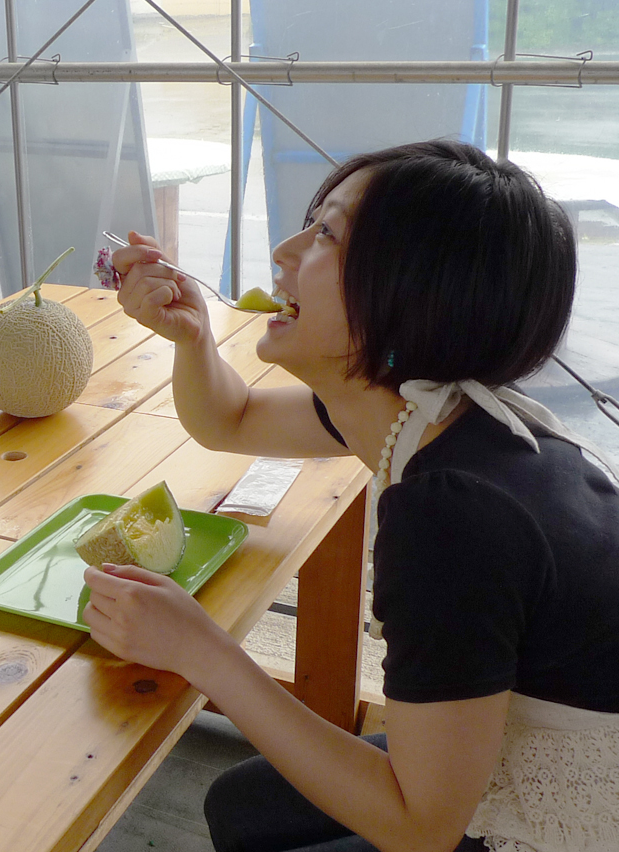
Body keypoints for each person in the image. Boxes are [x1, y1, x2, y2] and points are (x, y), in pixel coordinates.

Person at [85, 140, 619, 852]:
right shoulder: (431, 408)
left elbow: (421, 825)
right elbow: (231, 418)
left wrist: (200, 650)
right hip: (502, 749)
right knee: (245, 806)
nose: (283, 250)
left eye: (327, 233)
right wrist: (191, 339)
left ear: (409, 292)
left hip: (568, 819)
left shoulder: (453, 516)